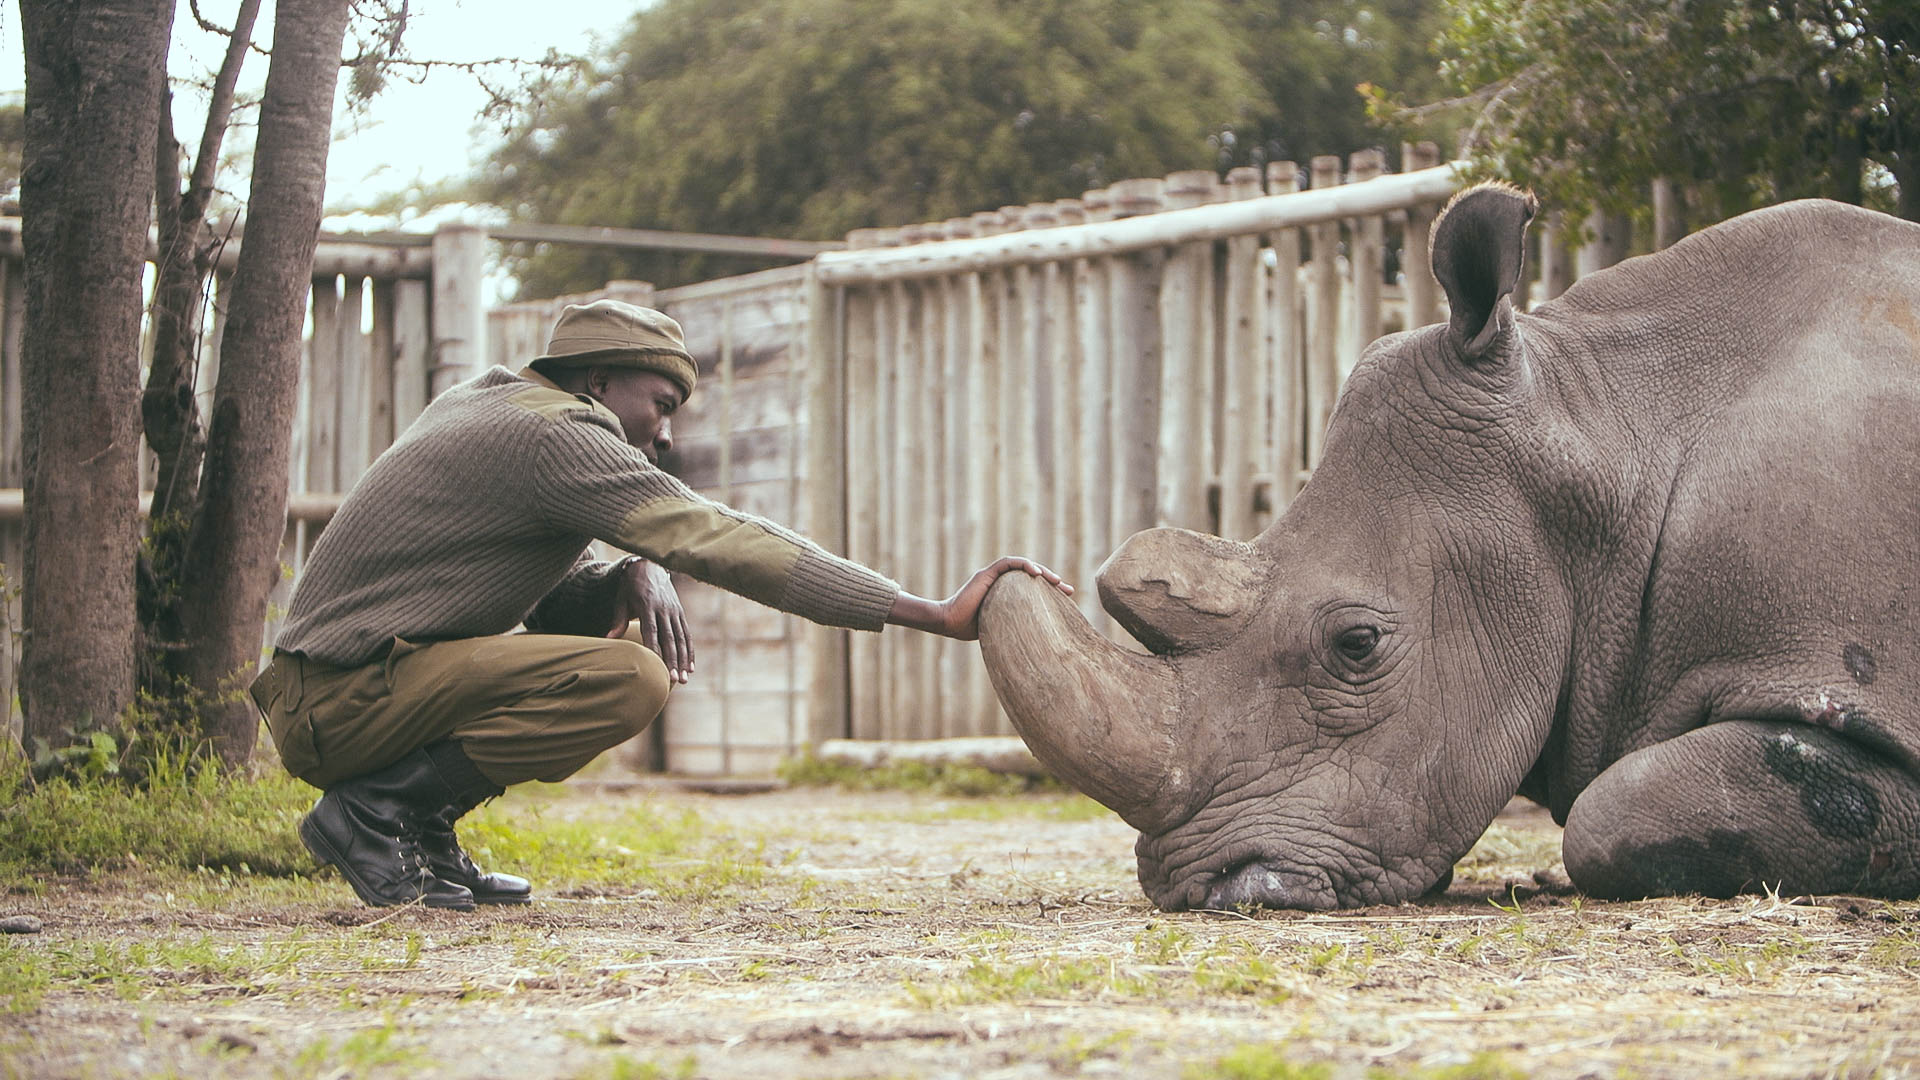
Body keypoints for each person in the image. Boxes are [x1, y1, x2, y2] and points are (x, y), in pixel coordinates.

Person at [249, 298, 1070, 911]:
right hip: (342, 700)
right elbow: (713, 536)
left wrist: (621, 578)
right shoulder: (557, 435)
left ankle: (418, 830)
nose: (668, 435)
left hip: (341, 690)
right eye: (662, 406)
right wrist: (931, 611)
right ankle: (376, 811)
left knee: (602, 656)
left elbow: (527, 605)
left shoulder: (497, 404)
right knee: (626, 678)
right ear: (599, 381)